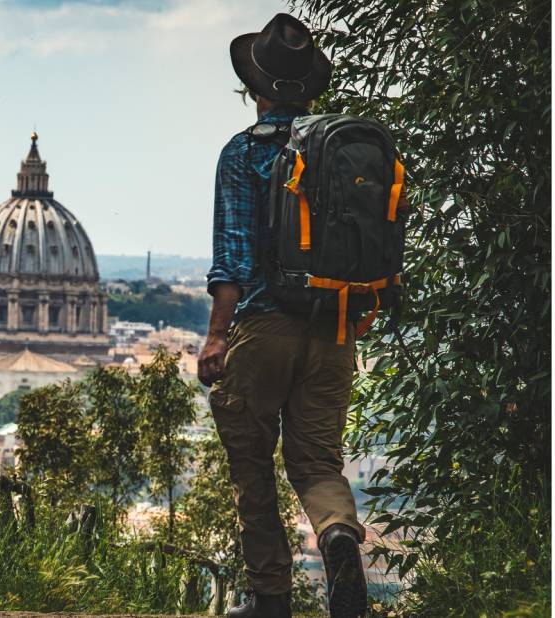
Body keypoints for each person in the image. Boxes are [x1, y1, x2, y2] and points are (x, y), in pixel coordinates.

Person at [199, 13, 368, 618]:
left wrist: (217, 337)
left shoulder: (245, 153)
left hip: (265, 327)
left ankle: (270, 599)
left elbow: (234, 258)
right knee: (318, 460)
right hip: (335, 328)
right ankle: (339, 533)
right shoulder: (341, 152)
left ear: (256, 86)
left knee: (252, 464)